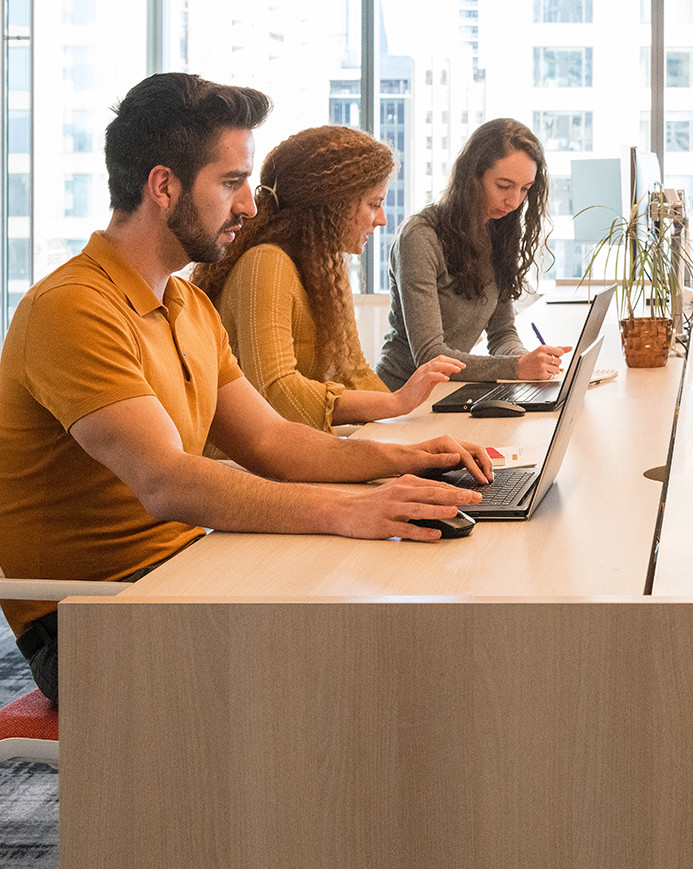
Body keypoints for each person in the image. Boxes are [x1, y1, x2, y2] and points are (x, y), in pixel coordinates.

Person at [0, 73, 493, 705]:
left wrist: (407, 461)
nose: (250, 206)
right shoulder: (73, 307)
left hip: (186, 572)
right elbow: (167, 481)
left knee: (391, 594)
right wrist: (346, 509)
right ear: (163, 185)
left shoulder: (186, 305)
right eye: (231, 183)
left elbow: (268, 439)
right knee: (369, 650)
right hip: (91, 620)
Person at [191, 125, 463, 431]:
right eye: (374, 204)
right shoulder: (266, 263)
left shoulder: (325, 268)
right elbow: (276, 394)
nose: (382, 219)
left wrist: (412, 424)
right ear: (333, 206)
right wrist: (396, 403)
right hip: (238, 463)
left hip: (290, 451)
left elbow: (354, 372)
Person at [377, 118, 569, 390]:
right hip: (400, 396)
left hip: (449, 391)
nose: (514, 202)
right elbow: (430, 356)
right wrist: (516, 368)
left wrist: (528, 361)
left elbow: (502, 334)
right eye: (504, 186)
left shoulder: (499, 233)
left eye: (525, 189)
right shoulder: (420, 236)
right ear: (473, 177)